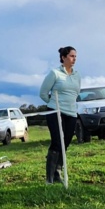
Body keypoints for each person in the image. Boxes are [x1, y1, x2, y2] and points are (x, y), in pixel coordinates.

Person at [39, 46, 82, 184]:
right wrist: (53, 104)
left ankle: (58, 173)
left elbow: (76, 93)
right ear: (63, 57)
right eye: (71, 56)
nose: (74, 59)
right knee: (57, 141)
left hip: (71, 113)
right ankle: (50, 177)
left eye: (75, 56)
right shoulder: (55, 73)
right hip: (56, 112)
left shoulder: (77, 75)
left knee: (66, 143)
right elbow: (43, 93)